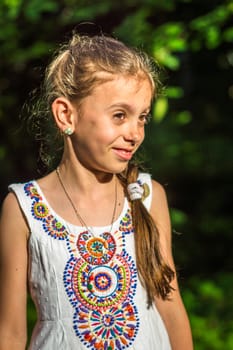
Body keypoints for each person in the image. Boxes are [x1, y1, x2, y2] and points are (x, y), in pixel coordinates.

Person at [0, 32, 193, 350]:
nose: (135, 133)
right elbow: (10, 333)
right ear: (66, 115)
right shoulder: (22, 208)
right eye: (120, 115)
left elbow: (171, 308)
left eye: (142, 117)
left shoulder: (147, 196)